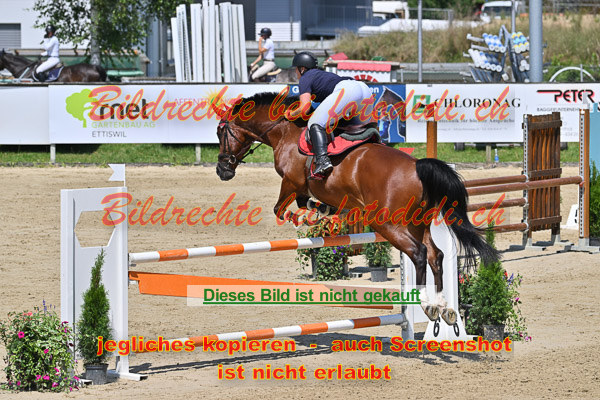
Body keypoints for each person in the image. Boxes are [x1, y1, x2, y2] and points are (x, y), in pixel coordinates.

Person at [285, 52, 374, 178]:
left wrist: (291, 114)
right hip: (364, 89)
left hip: (348, 90)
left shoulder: (306, 77)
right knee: (359, 127)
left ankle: (323, 161)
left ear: (302, 68)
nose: (295, 72)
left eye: (296, 69)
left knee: (314, 123)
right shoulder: (322, 75)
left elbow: (304, 108)